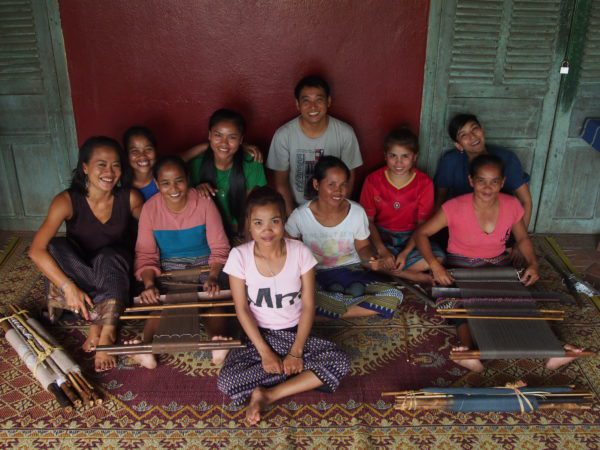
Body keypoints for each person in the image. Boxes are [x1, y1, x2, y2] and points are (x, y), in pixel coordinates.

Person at [415, 154, 584, 372]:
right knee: (459, 302)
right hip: (461, 267)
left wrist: (533, 263)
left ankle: (554, 350)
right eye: (481, 181)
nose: (487, 187)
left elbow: (522, 238)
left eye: (494, 181)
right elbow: (421, 234)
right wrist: (435, 265)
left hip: (498, 266)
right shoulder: (454, 207)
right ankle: (467, 350)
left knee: (517, 300)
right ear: (471, 181)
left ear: (502, 183)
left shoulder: (512, 205)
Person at [217, 187, 349, 426]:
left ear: (284, 222)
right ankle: (295, 376)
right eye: (258, 222)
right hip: (258, 337)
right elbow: (242, 309)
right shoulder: (239, 256)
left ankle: (269, 393)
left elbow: (309, 305)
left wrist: (296, 351)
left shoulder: (300, 252)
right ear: (248, 225)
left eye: (274, 221)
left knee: (340, 361)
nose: (267, 230)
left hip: (294, 334)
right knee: (226, 381)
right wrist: (266, 353)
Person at [29, 136, 143, 372]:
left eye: (115, 165)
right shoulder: (66, 201)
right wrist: (67, 286)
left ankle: (106, 332)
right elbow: (35, 251)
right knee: (56, 246)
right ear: (85, 167)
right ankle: (95, 320)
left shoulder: (129, 198)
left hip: (116, 274)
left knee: (109, 256)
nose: (109, 172)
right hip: (82, 276)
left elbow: (155, 231)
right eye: (101, 164)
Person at [131, 156, 231, 368]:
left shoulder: (204, 202)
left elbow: (220, 247)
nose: (173, 188)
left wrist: (213, 276)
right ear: (157, 184)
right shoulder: (150, 209)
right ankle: (145, 348)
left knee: (214, 297)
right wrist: (149, 285)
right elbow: (146, 255)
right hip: (170, 268)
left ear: (188, 178)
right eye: (165, 183)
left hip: (206, 264)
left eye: (179, 180)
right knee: (161, 302)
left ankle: (218, 343)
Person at [286, 156, 403, 319]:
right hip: (316, 275)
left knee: (394, 295)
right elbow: (286, 249)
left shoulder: (356, 212)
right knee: (295, 296)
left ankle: (327, 310)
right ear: (316, 184)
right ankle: (341, 306)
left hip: (351, 271)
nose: (338, 191)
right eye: (331, 184)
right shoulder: (300, 216)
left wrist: (371, 258)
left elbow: (363, 247)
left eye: (343, 185)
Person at [267, 75, 363, 214]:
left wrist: (337, 213)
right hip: (298, 209)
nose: (313, 107)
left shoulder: (345, 133)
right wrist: (293, 218)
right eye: (306, 101)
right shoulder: (283, 135)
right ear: (297, 104)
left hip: (333, 207)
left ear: (328, 101)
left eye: (319, 100)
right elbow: (281, 183)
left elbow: (350, 177)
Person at [359, 128, 444, 283]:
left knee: (438, 258)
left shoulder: (424, 183)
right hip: (381, 235)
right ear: (385, 156)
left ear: (414, 157)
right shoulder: (373, 180)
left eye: (405, 156)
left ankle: (390, 271)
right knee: (363, 257)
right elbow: (368, 221)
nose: (399, 162)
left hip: (411, 237)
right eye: (393, 156)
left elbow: (422, 226)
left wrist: (405, 253)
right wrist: (382, 250)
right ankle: (408, 275)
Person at [434, 113, 533, 229]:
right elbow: (439, 199)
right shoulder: (451, 161)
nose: (472, 136)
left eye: (474, 129)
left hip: (499, 226)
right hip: (462, 224)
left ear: (482, 130)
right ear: (458, 145)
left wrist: (520, 240)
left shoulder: (507, 159)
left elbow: (526, 201)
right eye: (463, 135)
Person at [186, 109, 267, 243]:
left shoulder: (251, 163)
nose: (224, 143)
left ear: (241, 139)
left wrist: (245, 245)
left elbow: (251, 209)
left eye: (232, 137)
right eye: (218, 135)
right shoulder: (196, 164)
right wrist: (195, 192)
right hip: (205, 236)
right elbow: (167, 166)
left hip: (239, 232)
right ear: (209, 135)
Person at [123, 126, 159, 202]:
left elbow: (177, 159)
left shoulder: (163, 174)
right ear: (126, 155)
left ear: (156, 151)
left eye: (148, 149)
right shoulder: (121, 183)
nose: (142, 155)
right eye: (135, 151)